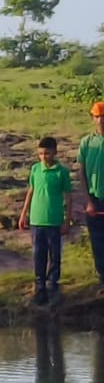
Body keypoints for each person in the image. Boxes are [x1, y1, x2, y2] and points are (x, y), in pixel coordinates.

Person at [19, 136, 73, 305]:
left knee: (54, 254)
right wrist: (23, 213)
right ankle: (39, 285)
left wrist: (67, 220)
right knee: (38, 254)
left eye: (47, 153)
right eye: (41, 154)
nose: (44, 157)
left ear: (55, 152)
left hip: (54, 220)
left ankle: (52, 283)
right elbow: (31, 191)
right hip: (36, 220)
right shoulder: (35, 169)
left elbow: (69, 197)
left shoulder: (62, 172)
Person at [78, 102, 104, 285]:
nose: (101, 120)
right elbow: (81, 173)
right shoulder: (87, 142)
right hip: (95, 199)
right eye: (97, 116)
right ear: (92, 118)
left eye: (103, 116)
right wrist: (88, 201)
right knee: (97, 242)